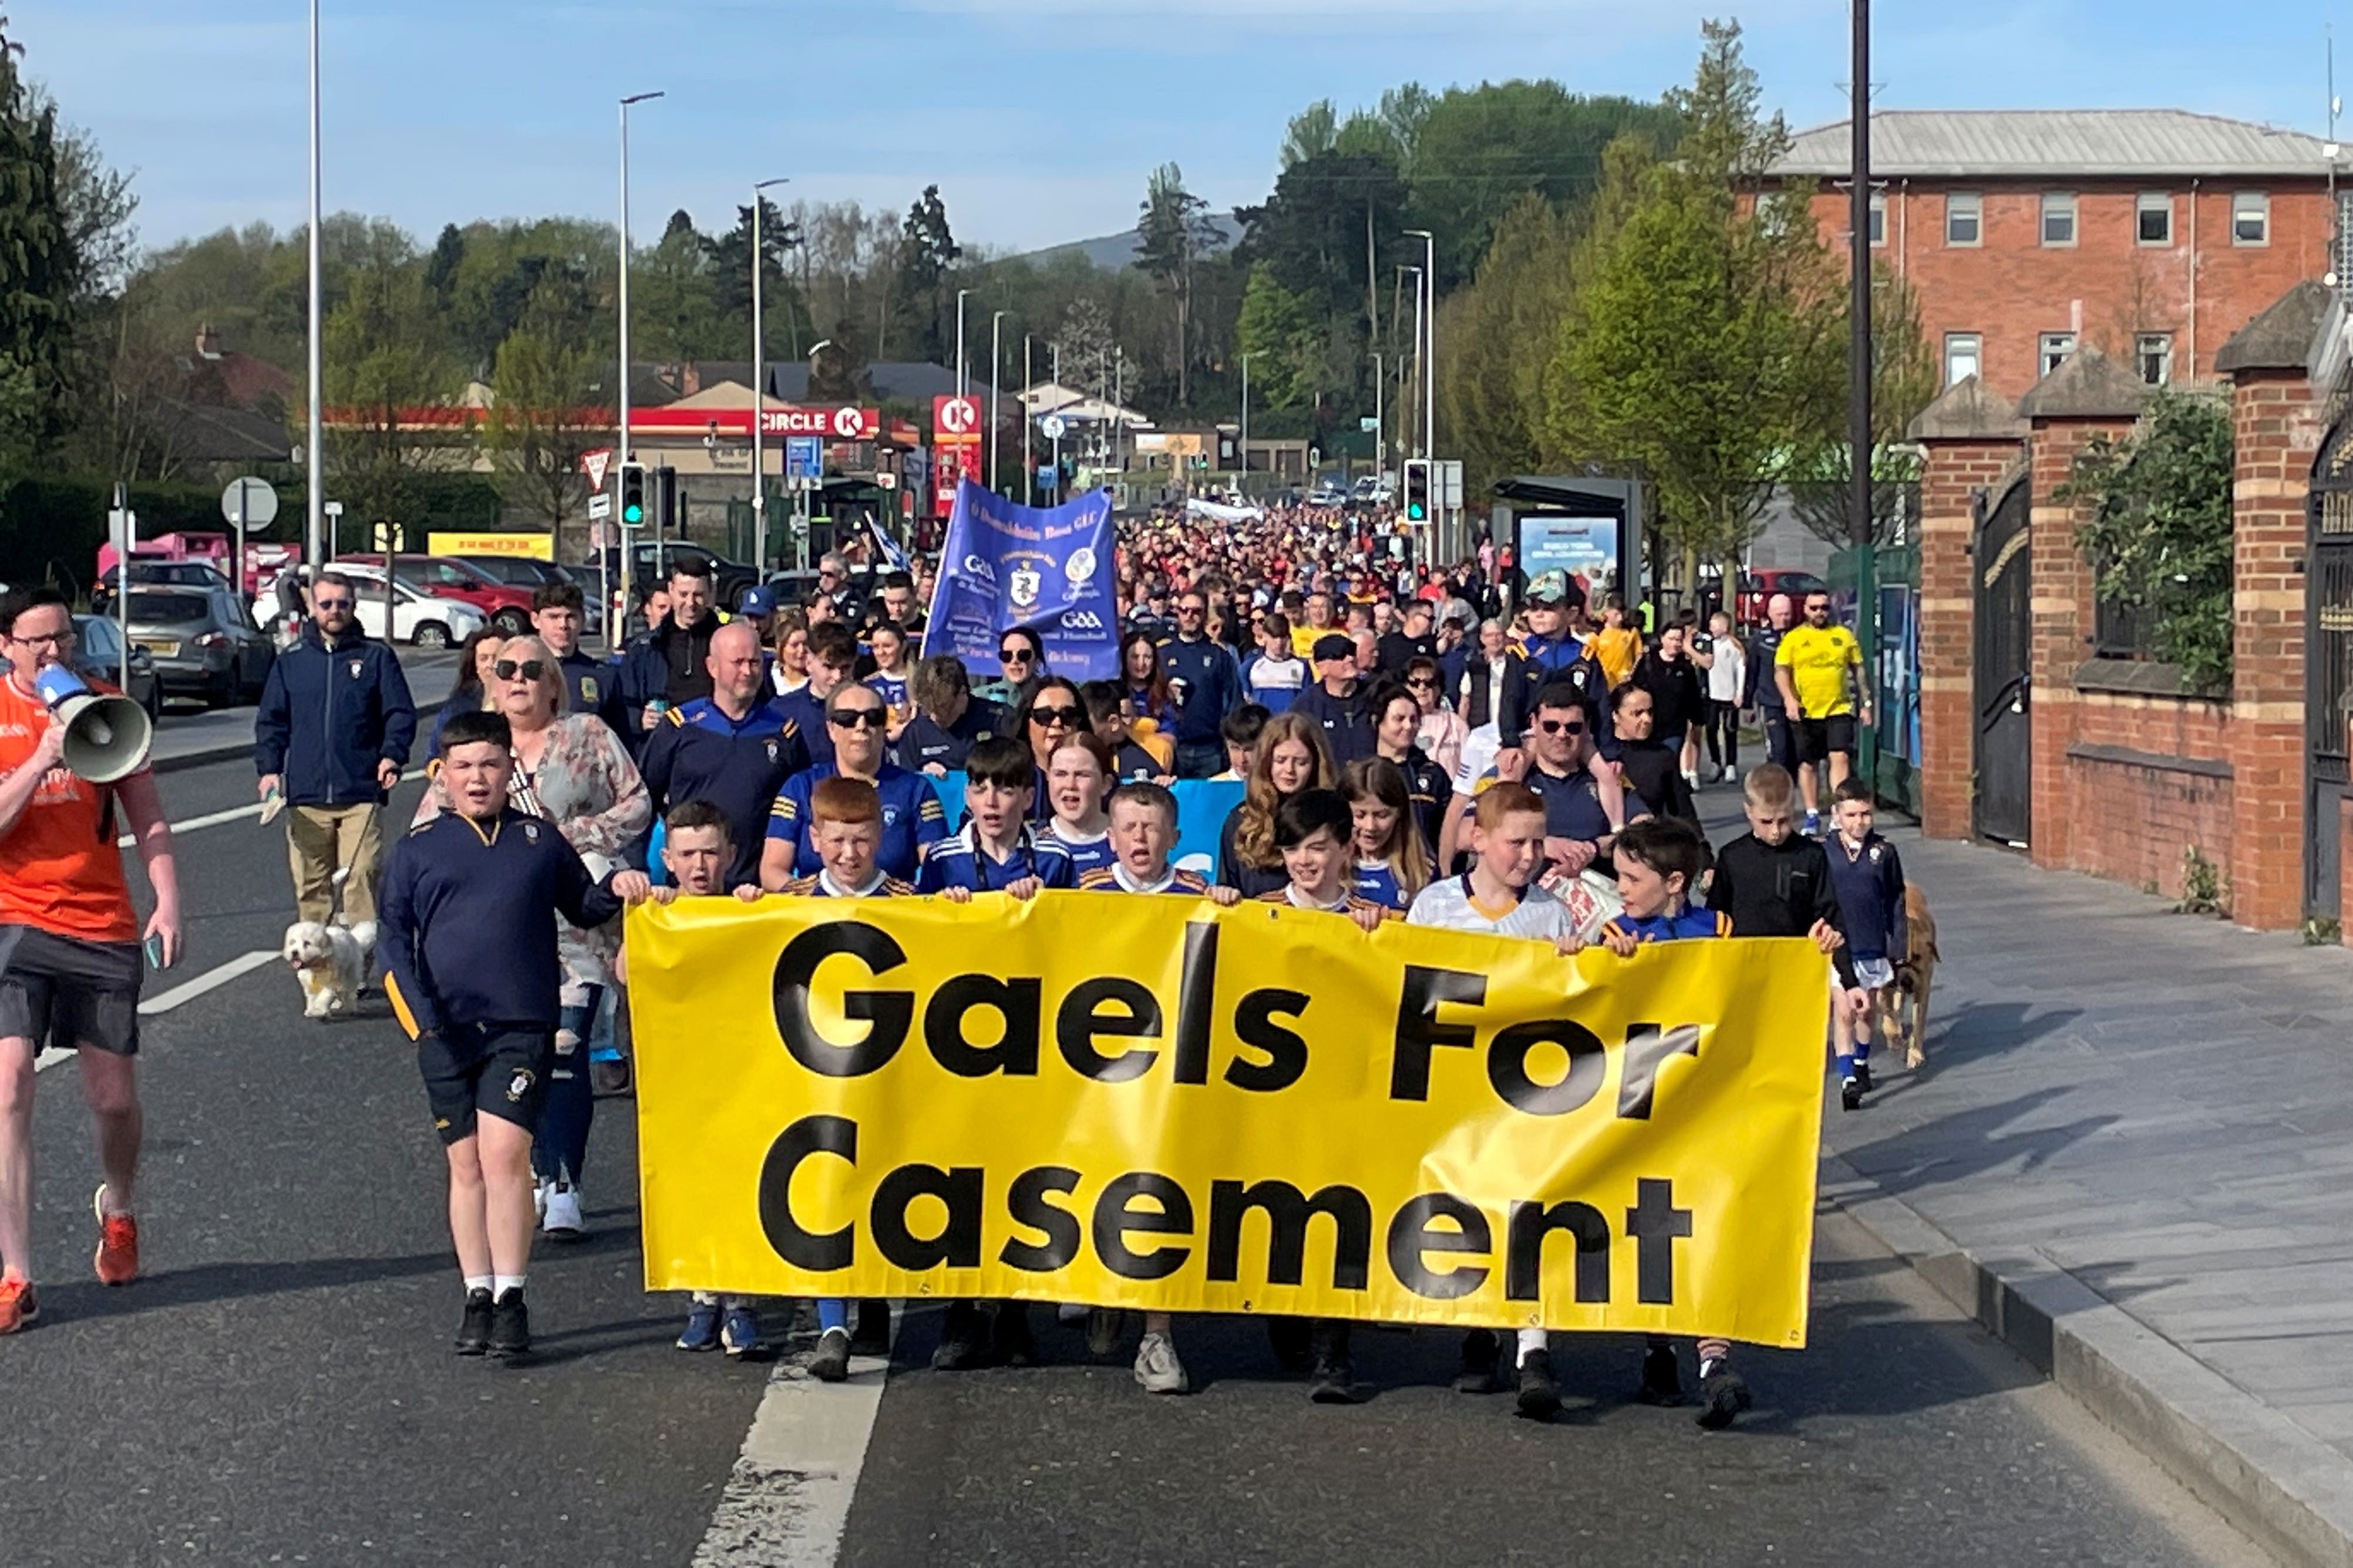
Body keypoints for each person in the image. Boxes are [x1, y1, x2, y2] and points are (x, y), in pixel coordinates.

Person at [378, 710, 628, 1361]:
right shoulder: (417, 848)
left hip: (521, 1023)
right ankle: (477, 1293)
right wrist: (423, 1022)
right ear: (443, 775)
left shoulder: (537, 841)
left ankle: (513, 1295)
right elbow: (392, 943)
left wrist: (624, 889)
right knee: (464, 1167)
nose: (477, 777)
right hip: (444, 1029)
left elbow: (584, 905)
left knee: (504, 1155)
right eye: (463, 767)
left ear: (508, 770)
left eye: (489, 764)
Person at [413, 638, 648, 1242]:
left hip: (577, 924)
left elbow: (638, 802)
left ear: (552, 682)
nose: (519, 680)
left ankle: (563, 1179)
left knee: (567, 1048)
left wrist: (567, 836)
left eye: (532, 670)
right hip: (498, 937)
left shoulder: (588, 734)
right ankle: (532, 1171)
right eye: (506, 670)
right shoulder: (478, 752)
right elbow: (426, 827)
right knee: (519, 1058)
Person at [0, 589, 184, 1333]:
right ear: (6, 645)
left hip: (101, 923)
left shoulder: (107, 705)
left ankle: (118, 1206)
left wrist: (168, 902)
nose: (55, 653)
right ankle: (14, 1270)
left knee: (112, 1101)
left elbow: (150, 816)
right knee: (8, 1082)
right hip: (13, 920)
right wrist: (42, 753)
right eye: (39, 641)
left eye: (65, 639)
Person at [1405, 781, 1584, 1417]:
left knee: (1527, 1209)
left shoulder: (1550, 915)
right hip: (1456, 1092)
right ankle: (1477, 1330)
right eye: (1516, 842)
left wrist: (1580, 964)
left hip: (1524, 1093)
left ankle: (1532, 1348)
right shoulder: (1432, 907)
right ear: (1478, 838)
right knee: (1466, 1210)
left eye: (1538, 841)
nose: (1529, 855)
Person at [1586, 816, 1751, 1429]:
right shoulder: (1613, 932)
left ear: (1674, 881)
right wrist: (1606, 963)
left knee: (1705, 1224)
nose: (1619, 887)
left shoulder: (1718, 929)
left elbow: (1757, 987)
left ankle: (1713, 1361)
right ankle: (1657, 1350)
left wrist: (1812, 956)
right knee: (1649, 1226)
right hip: (1638, 1102)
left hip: (1703, 1101)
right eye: (1618, 875)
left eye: (1631, 877)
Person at [605, 800, 766, 1359]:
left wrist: (754, 907)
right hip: (680, 1075)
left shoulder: (750, 908)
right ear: (668, 859)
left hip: (744, 1071)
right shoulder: (660, 910)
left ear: (731, 856)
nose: (700, 867)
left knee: (742, 1184)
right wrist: (645, 910)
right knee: (693, 1184)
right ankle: (703, 1299)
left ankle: (741, 1303)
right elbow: (624, 971)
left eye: (710, 853)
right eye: (688, 855)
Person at [769, 775, 910, 1381]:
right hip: (813, 1073)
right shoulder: (790, 903)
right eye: (836, 841)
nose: (849, 854)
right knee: (825, 1182)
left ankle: (872, 1297)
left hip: (887, 1070)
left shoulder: (907, 899)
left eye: (860, 840)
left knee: (878, 1178)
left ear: (879, 835)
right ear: (814, 839)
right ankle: (832, 1322)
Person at [1259, 788, 1388, 1403]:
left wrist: (1377, 937)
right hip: (1271, 1096)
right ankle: (1285, 1313)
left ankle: (1334, 1349)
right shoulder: (1256, 914)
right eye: (1292, 849)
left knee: (1337, 1216)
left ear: (1344, 849)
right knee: (1280, 1214)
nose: (1304, 861)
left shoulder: (1376, 921)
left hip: (1344, 1098)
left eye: (1317, 848)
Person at [255, 569, 417, 928]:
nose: (334, 611)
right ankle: (319, 969)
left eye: (342, 604)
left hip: (361, 791)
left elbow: (399, 713)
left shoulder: (376, 658)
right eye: (326, 603)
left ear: (354, 607)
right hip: (306, 795)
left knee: (361, 878)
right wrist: (269, 769)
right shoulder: (292, 660)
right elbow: (272, 720)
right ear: (312, 606)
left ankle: (356, 968)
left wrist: (392, 755)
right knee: (312, 887)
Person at [1707, 763, 1869, 1102]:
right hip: (1745, 973)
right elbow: (1715, 920)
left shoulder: (1810, 855)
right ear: (1748, 812)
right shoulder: (1733, 858)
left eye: (1785, 820)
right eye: (1766, 822)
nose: (1777, 831)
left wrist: (1850, 980)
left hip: (1795, 976)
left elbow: (1830, 918)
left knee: (1791, 1065)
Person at [636, 621, 812, 890]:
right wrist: (639, 868)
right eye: (738, 662)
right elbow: (643, 802)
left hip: (756, 892)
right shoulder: (679, 727)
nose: (748, 671)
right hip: (691, 891)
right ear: (712, 667)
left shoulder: (784, 732)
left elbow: (802, 811)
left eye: (754, 662)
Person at [766, 681, 945, 886]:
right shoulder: (800, 787)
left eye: (873, 718)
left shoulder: (917, 790)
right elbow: (772, 871)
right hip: (817, 912)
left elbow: (938, 870)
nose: (861, 727)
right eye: (848, 719)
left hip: (890, 911)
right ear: (831, 729)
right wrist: (820, 899)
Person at [1823, 777, 1907, 1110]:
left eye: (1865, 815)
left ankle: (1860, 1059)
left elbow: (1895, 899)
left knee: (1866, 1010)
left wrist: (1898, 945)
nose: (1859, 822)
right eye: (1852, 815)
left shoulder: (1884, 852)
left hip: (1871, 941)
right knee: (1843, 1012)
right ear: (1837, 815)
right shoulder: (1823, 851)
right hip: (1838, 945)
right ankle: (1847, 1079)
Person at [919, 736, 1075, 896]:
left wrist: (1047, 901)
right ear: (968, 797)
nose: (991, 802)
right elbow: (920, 916)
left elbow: (1073, 918)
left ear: (1028, 798)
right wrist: (941, 907)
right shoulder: (942, 858)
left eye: (1005, 792)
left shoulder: (1055, 857)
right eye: (980, 790)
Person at [1775, 591, 1869, 834]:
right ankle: (1812, 813)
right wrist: (1789, 700)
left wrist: (1866, 703)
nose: (1820, 613)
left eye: (1824, 608)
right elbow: (1782, 671)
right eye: (1814, 608)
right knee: (1809, 763)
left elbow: (1859, 670)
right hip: (1806, 710)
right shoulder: (1794, 639)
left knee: (1840, 757)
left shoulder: (1843, 636)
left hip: (1838, 707)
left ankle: (1839, 813)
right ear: (1805, 609)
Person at [1215, 710, 1333, 900]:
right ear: (1266, 761)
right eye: (1281, 760)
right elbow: (1227, 885)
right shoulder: (1241, 820)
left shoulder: (1335, 817)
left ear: (1316, 764)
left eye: (1301, 762)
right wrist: (1224, 894)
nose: (1289, 771)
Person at [620, 562, 724, 738]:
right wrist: (639, 720)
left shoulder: (727, 644)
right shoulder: (645, 648)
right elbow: (622, 702)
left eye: (698, 595)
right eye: (684, 594)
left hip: (714, 742)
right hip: (663, 744)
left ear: (710, 594)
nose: (690, 603)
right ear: (671, 590)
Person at [1158, 588, 1241, 778]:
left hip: (1209, 748)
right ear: (1177, 612)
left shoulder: (1220, 655)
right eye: (1184, 610)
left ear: (1204, 614)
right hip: (1171, 745)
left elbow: (1234, 703)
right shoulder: (1162, 652)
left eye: (1196, 611)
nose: (1190, 616)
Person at [1369, 683, 1451, 860]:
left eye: (1414, 719)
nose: (1408, 726)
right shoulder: (1363, 774)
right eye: (1399, 719)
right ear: (1377, 721)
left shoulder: (1433, 775)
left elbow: (1449, 832)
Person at [534, 581, 625, 737]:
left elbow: (620, 739)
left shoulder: (603, 675)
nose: (563, 625)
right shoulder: (520, 672)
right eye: (554, 617)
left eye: (571, 617)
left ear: (582, 620)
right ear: (535, 620)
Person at [1339, 757, 1429, 913]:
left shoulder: (1423, 874)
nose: (1370, 827)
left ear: (1400, 812)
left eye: (1381, 815)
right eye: (1360, 815)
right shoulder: (1325, 869)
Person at [892, 656, 1004, 776]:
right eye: (929, 710)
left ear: (963, 694)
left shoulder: (996, 719)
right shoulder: (915, 733)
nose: (935, 717)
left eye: (944, 710)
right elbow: (906, 782)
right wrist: (923, 775)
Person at [775, 621, 861, 770]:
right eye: (828, 667)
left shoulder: (867, 711)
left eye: (845, 668)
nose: (837, 676)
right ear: (808, 662)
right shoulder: (781, 712)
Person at [1630, 624, 1706, 791]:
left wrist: (1698, 719)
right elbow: (1633, 690)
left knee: (1668, 766)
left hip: (1674, 728)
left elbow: (1693, 697)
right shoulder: (1648, 661)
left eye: (1679, 640)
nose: (1675, 644)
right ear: (1662, 638)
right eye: (1671, 639)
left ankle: (1669, 805)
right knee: (1648, 767)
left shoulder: (1686, 669)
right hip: (1648, 725)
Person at [1608, 683, 1697, 825]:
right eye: (1637, 713)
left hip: (1650, 838)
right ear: (1615, 715)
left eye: (1650, 712)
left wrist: (1699, 843)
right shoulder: (1599, 757)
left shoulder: (1662, 756)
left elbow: (1682, 810)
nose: (1647, 720)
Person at [1039, 732, 1119, 875]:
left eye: (1082, 775)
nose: (1070, 785)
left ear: (1106, 784)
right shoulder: (1031, 842)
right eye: (1060, 774)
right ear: (1048, 777)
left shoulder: (1129, 841)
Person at [1292, 633, 1375, 767]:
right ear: (1322, 667)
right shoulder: (1307, 707)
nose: (1350, 659)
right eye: (1340, 655)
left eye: (1351, 652)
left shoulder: (1375, 695)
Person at [1456, 618, 1531, 748]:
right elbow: (1465, 702)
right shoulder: (1473, 666)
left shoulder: (1518, 666)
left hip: (1511, 733)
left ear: (1505, 636)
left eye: (1498, 634)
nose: (1495, 639)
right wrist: (1462, 733)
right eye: (1489, 635)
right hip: (1480, 733)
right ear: (1482, 639)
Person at [427, 628, 504, 753]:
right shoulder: (457, 707)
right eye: (484, 659)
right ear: (475, 666)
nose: (491, 665)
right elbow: (435, 753)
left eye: (497, 658)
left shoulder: (523, 702)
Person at [1745, 593, 1795, 773]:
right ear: (1770, 614)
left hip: (1798, 702)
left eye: (1787, 614)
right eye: (1780, 614)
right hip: (1770, 701)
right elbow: (1751, 671)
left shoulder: (1799, 636)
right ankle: (1777, 790)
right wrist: (1747, 704)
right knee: (1778, 751)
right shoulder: (1760, 640)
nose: (1784, 618)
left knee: (1796, 753)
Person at [1080, 680, 1167, 783]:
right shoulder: (1066, 753)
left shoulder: (1141, 769)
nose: (1078, 731)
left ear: (1114, 723)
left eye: (1086, 725)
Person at [1697, 610, 1746, 784]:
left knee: (1730, 730)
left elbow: (1741, 669)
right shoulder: (1708, 644)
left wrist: (1739, 693)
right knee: (1711, 729)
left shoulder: (1734, 646)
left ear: (1724, 627)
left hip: (1730, 695)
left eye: (1714, 624)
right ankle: (1715, 762)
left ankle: (1731, 764)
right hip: (1712, 695)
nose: (1711, 627)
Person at [1405, 655, 1467, 781]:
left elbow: (1468, 768)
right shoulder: (1399, 722)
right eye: (1415, 683)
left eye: (1429, 683)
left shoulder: (1456, 724)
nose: (1422, 688)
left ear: (1438, 688)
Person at [1243, 612, 1307, 715]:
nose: (1279, 642)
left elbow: (1308, 702)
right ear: (1265, 636)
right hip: (1262, 727)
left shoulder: (1302, 666)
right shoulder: (1250, 666)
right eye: (1274, 637)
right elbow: (1244, 701)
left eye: (1283, 637)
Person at [1591, 594, 1642, 692]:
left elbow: (1639, 654)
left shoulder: (1631, 632)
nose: (1620, 618)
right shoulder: (1597, 634)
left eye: (1622, 614)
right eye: (1616, 614)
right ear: (1607, 612)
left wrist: (1632, 673)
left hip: (1624, 682)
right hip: (1603, 683)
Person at [1212, 704, 1268, 781]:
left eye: (1250, 749)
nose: (1242, 759)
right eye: (1235, 748)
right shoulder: (1216, 786)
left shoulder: (1281, 786)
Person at [769, 609, 812, 698]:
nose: (802, 650)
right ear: (781, 648)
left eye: (805, 644)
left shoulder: (813, 683)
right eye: (794, 645)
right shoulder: (769, 678)